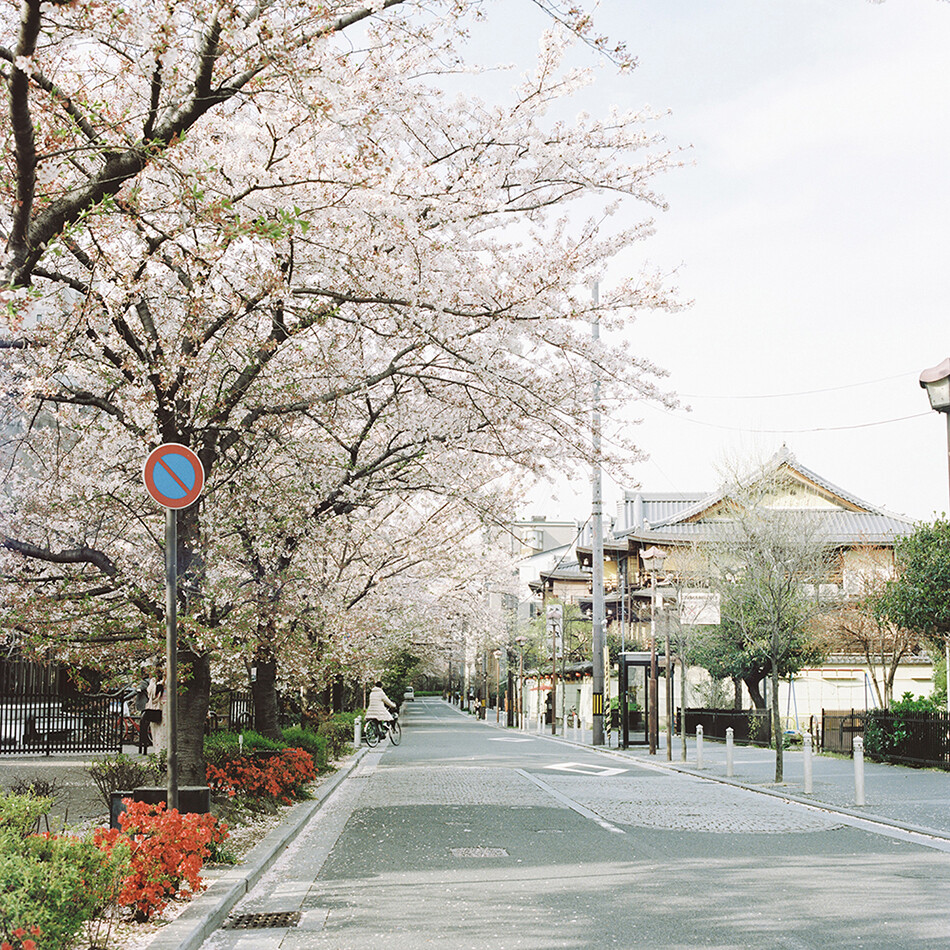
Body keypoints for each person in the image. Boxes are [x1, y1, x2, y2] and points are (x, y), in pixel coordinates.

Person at [144, 672, 166, 755]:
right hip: (159, 708)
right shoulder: (153, 683)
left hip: (163, 709)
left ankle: (161, 751)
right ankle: (159, 751)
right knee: (158, 731)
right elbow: (152, 694)